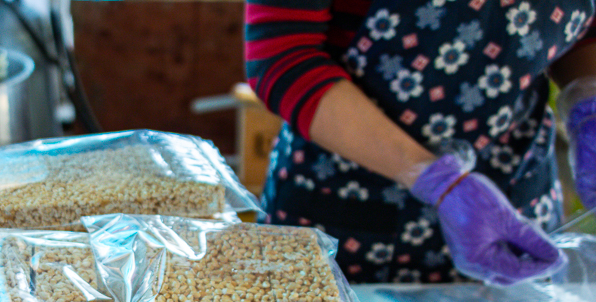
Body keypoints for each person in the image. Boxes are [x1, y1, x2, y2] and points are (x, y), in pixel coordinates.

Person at [245, 0, 596, 284]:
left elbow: (584, 28)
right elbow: (283, 55)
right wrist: (434, 178)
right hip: (345, 208)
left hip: (513, 205)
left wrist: (589, 105)